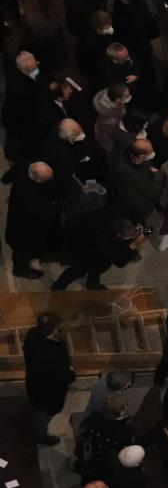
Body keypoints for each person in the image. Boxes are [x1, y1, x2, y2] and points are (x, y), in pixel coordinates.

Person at [24, 312, 76, 445]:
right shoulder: (54, 354)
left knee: (37, 408)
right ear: (53, 330)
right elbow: (65, 377)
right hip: (47, 394)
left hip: (34, 383)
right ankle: (41, 436)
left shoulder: (32, 334)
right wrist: (71, 373)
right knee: (42, 415)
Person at [5, 162, 61, 279]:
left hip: (15, 222)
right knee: (21, 251)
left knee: (19, 249)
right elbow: (41, 218)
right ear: (37, 180)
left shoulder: (24, 167)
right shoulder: (33, 199)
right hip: (22, 231)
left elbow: (9, 175)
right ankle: (20, 270)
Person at [109, 139, 163, 224]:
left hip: (133, 195)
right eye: (150, 153)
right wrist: (158, 176)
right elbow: (154, 192)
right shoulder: (134, 176)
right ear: (141, 157)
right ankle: (143, 231)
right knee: (140, 220)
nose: (153, 154)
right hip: (138, 203)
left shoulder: (128, 153)